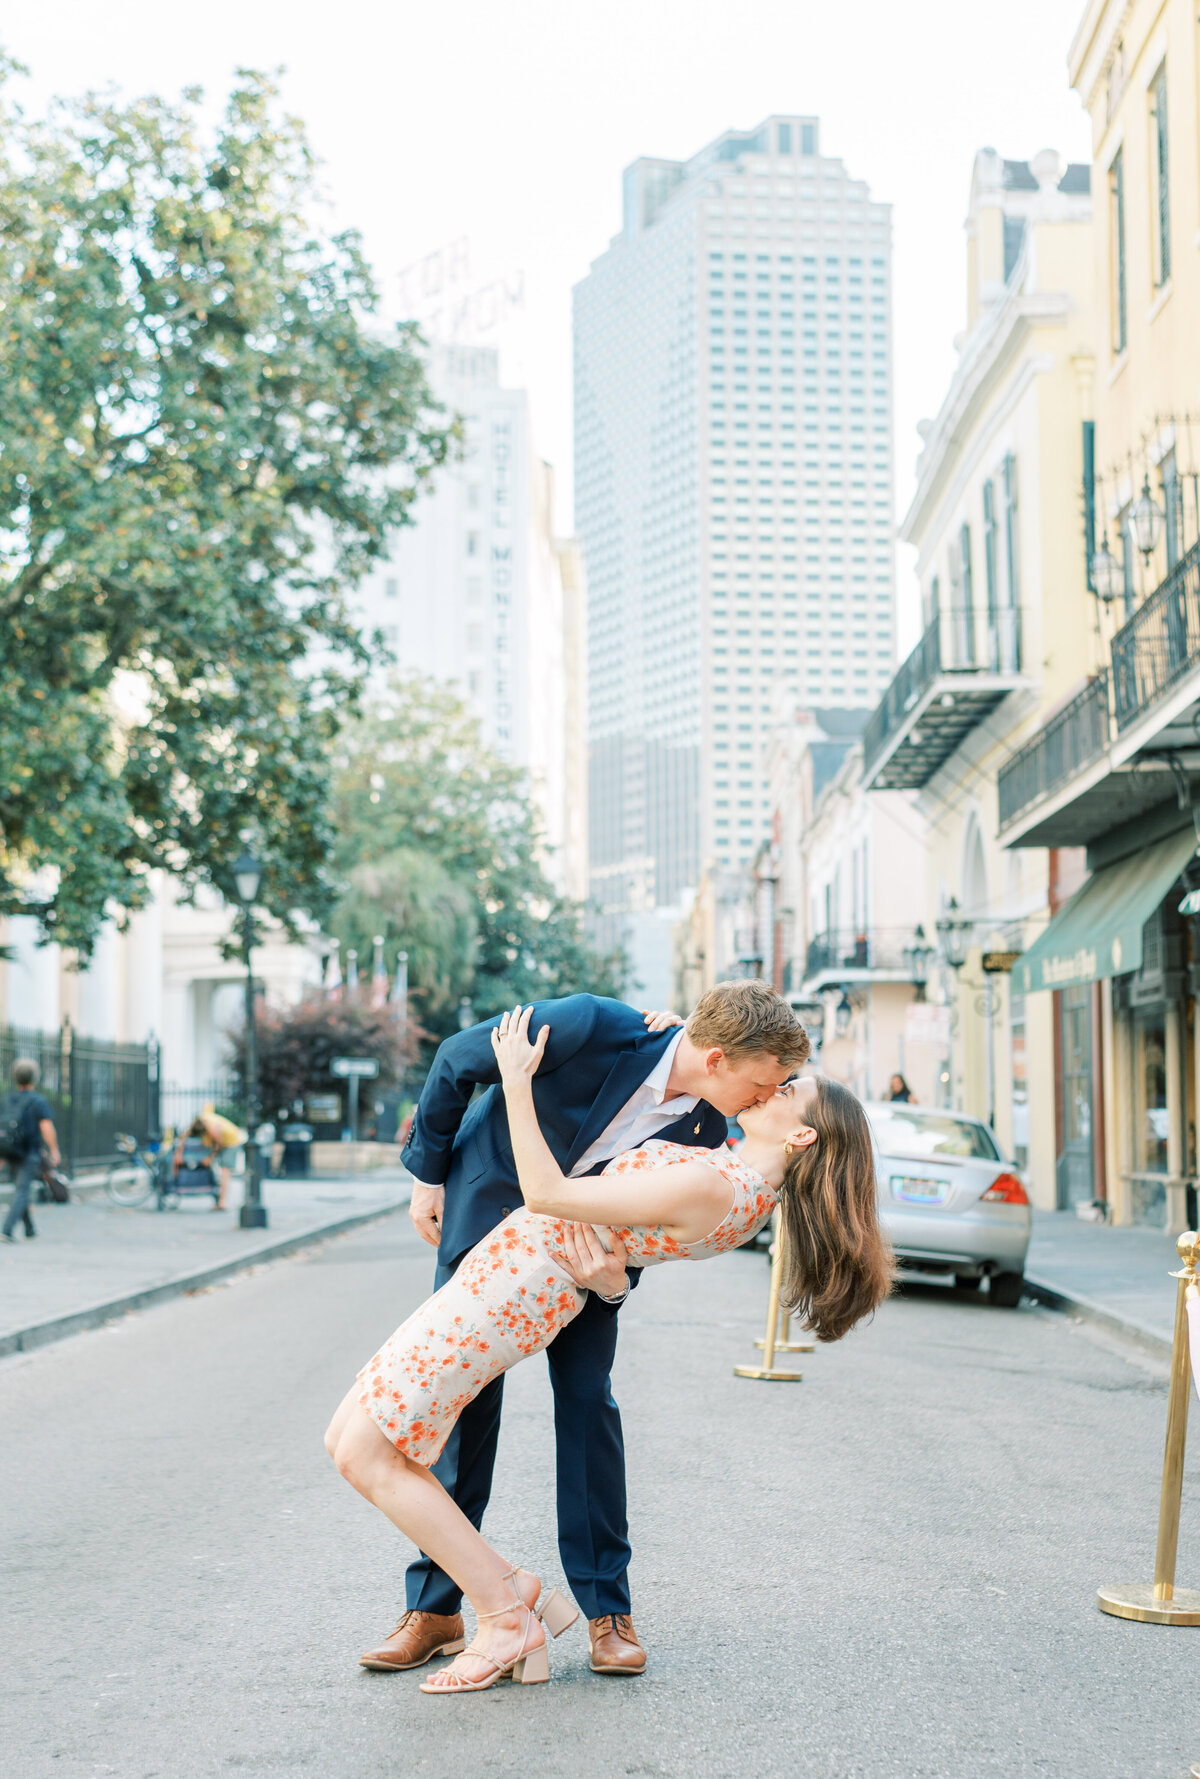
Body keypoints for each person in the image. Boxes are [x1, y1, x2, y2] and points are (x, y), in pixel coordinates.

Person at [325, 1003, 890, 1695]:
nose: (772, 1090)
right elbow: (453, 1060)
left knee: (580, 1406)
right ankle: (443, 1605)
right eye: (774, 1077)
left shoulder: (719, 1135)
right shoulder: (606, 1029)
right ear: (718, 1058)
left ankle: (582, 1609)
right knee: (422, 1431)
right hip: (495, 1236)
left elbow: (611, 1208)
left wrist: (612, 1283)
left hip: (540, 1272)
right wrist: (428, 1175)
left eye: (786, 1087)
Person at [2, 1060, 61, 1243]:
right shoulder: (37, 1101)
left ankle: (29, 1229)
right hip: (29, 1152)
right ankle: (7, 1229)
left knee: (21, 1189)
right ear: (35, 1078)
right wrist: (54, 1150)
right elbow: (46, 1127)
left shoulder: (7, 1099)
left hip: (10, 1151)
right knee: (22, 1191)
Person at [177, 1107, 247, 1210]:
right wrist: (179, 1154)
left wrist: (210, 1158)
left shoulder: (212, 1127)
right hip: (220, 1142)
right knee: (212, 1165)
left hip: (231, 1142)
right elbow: (185, 1136)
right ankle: (216, 1191)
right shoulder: (200, 1120)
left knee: (225, 1170)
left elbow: (218, 1144)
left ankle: (222, 1202)